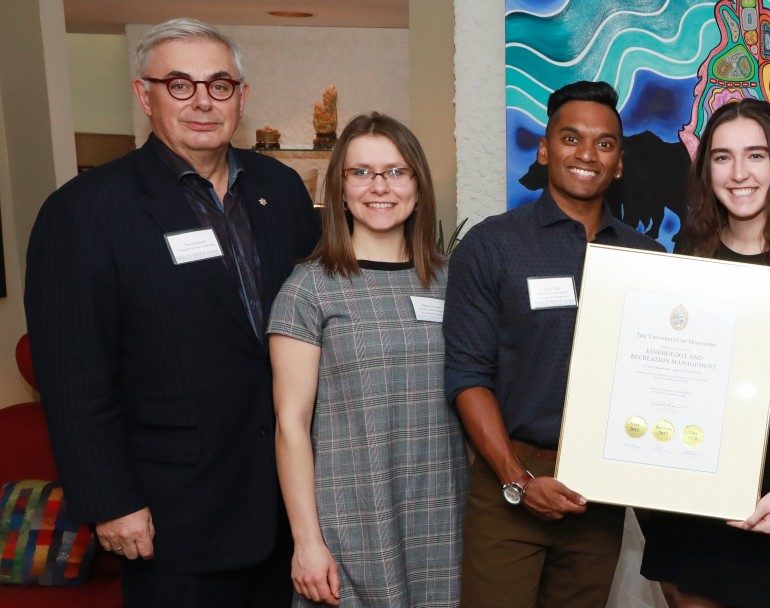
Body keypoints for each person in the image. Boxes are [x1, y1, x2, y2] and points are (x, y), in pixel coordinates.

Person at [23, 18, 320, 607]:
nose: (203, 102)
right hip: (172, 511)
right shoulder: (85, 211)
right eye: (180, 85)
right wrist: (110, 500)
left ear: (242, 95)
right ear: (144, 95)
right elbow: (72, 375)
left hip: (287, 502)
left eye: (220, 84)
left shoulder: (280, 188)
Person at [443, 80, 663, 607]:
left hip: (599, 496)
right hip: (509, 486)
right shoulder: (492, 245)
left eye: (604, 143)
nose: (587, 154)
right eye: (571, 138)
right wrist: (517, 480)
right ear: (544, 149)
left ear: (620, 162)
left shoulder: (647, 258)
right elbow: (467, 377)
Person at [636, 99, 770, 608]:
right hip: (689, 497)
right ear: (705, 170)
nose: (739, 172)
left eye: (755, 155)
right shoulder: (686, 262)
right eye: (723, 157)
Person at [269, 112, 467, 608]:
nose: (380, 186)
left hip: (444, 516)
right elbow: (290, 424)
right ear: (340, 188)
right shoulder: (308, 289)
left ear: (418, 186)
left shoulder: (452, 282)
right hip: (351, 522)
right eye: (361, 172)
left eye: (396, 171)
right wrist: (306, 543)